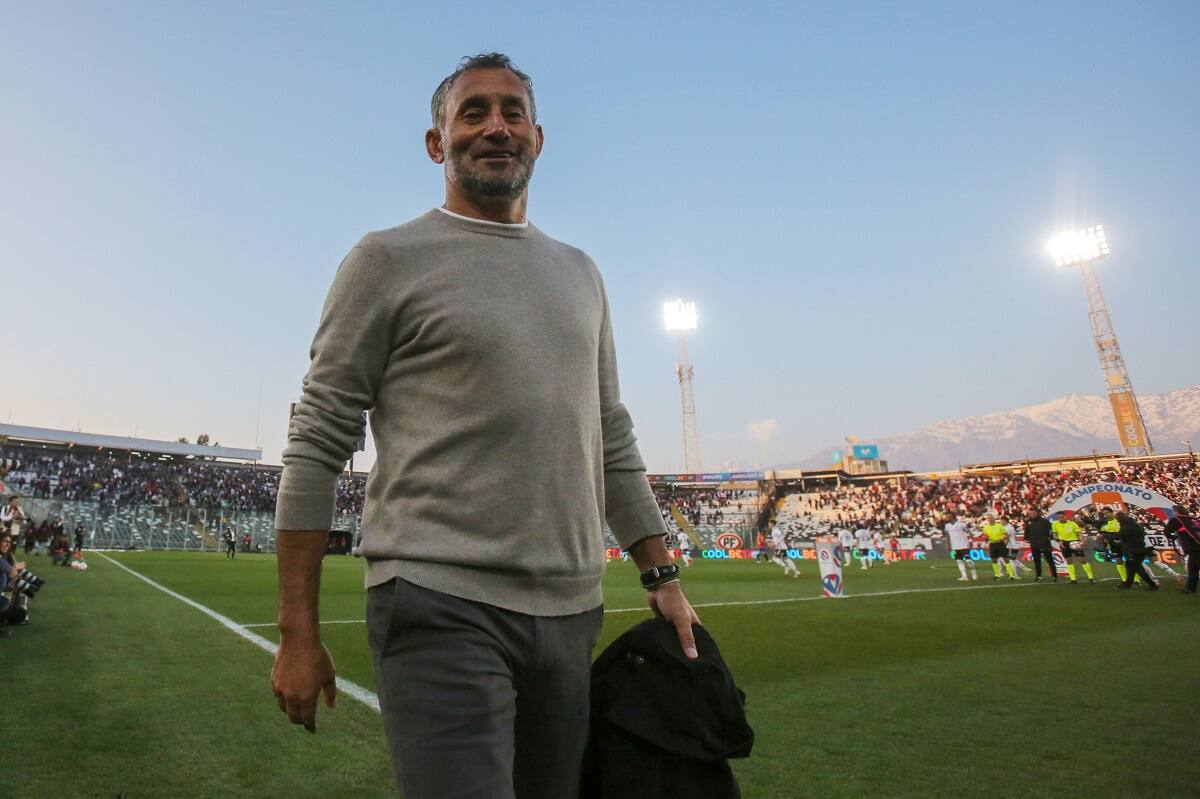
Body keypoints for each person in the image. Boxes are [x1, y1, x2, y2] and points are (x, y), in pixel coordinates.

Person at [270, 53, 699, 799]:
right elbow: (317, 441)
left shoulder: (581, 273)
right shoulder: (385, 260)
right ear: (437, 144)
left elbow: (611, 434)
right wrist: (296, 630)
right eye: (472, 112)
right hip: (438, 600)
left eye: (511, 112)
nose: (495, 127)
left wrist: (659, 573)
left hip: (571, 611)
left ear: (538, 137)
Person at [1101, 511, 1158, 592]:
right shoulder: (1135, 524)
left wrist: (1105, 535)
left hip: (1134, 550)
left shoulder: (1126, 527)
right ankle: (1128, 584)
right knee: (1129, 566)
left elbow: (1118, 536)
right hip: (1139, 548)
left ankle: (1152, 585)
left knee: (1138, 569)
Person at [1164, 504, 1200, 594]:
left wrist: (1172, 537)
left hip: (1193, 547)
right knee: (1192, 569)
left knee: (1193, 568)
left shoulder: (1176, 519)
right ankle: (1190, 589)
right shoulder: (1193, 519)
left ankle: (1190, 589)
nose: (1173, 513)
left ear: (1177, 512)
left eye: (1174, 511)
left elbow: (1167, 531)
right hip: (1195, 546)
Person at [1052, 512, 1094, 584]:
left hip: (1074, 542)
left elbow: (1079, 533)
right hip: (1063, 543)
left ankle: (1091, 577)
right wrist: (1059, 540)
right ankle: (1073, 579)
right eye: (1058, 517)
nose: (1060, 519)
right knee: (1069, 561)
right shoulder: (1055, 524)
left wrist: (1082, 541)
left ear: (1065, 516)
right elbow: (1054, 534)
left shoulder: (1072, 524)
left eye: (1061, 517)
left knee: (1082, 560)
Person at [1023, 510, 1057, 582]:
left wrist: (1050, 537)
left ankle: (1054, 576)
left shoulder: (1044, 521)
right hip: (1034, 544)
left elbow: (1052, 530)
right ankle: (1038, 576)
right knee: (1036, 560)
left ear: (1037, 513)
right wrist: (1026, 538)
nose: (1032, 515)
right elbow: (1027, 531)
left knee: (1049, 560)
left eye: (1033, 513)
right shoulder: (1028, 522)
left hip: (1044, 543)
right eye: (1030, 513)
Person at [981, 514, 1016, 581]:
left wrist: (1000, 539)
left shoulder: (999, 526)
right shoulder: (985, 528)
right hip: (992, 544)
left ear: (994, 519)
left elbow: (1006, 535)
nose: (990, 520)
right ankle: (997, 575)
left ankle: (1011, 575)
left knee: (1006, 559)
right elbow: (986, 537)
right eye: (989, 518)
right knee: (994, 560)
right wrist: (985, 539)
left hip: (1000, 544)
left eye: (991, 518)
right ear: (987, 520)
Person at [944, 513, 977, 582]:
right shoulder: (947, 526)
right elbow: (947, 535)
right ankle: (964, 576)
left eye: (947, 516)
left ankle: (974, 573)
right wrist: (947, 544)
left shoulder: (961, 524)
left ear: (952, 516)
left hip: (964, 544)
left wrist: (971, 541)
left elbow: (969, 532)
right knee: (959, 560)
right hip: (955, 546)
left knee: (968, 561)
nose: (946, 517)